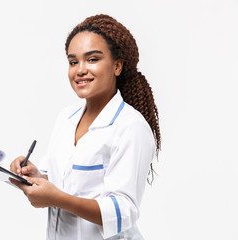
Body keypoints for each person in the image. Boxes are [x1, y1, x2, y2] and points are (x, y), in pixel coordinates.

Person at [10, 14, 161, 240]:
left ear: (117, 66)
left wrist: (56, 199)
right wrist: (36, 175)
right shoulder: (66, 118)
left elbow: (123, 211)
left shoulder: (130, 127)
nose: (80, 70)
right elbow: (63, 180)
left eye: (92, 59)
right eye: (73, 62)